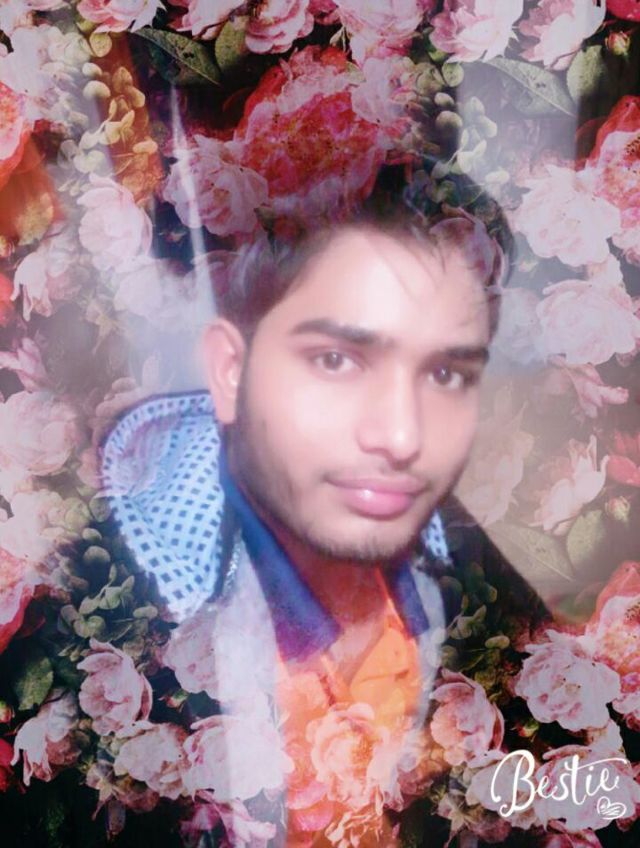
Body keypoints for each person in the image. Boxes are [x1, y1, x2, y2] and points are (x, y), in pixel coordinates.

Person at [94, 200, 548, 847]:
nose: (402, 435)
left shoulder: (490, 583)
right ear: (231, 372)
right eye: (337, 360)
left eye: (446, 373)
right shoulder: (111, 640)